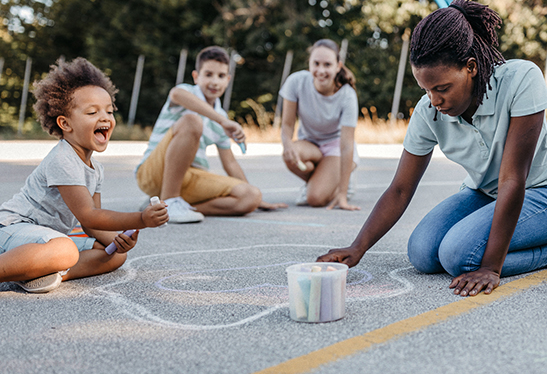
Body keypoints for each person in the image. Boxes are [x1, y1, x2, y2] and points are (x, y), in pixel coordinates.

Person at [318, 0, 547, 297]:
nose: (434, 100)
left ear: (470, 67)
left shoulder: (521, 80)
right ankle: (503, 242)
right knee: (421, 253)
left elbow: (513, 179)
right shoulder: (429, 111)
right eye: (426, 89)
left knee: (460, 257)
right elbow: (400, 189)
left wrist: (491, 268)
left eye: (442, 88)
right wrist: (358, 247)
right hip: (486, 193)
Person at [0, 58, 169, 293]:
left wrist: (117, 240)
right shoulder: (62, 158)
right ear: (65, 123)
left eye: (109, 111)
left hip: (45, 239)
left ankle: (43, 273)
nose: (105, 117)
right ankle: (22, 268)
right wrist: (141, 219)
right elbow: (89, 217)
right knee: (65, 250)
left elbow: (94, 227)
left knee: (115, 255)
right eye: (92, 112)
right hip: (14, 229)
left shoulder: (95, 168)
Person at [136, 46, 285, 223]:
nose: (215, 82)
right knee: (192, 121)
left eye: (221, 76)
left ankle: (163, 209)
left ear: (228, 80)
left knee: (250, 196)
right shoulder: (187, 93)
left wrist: (259, 201)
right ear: (196, 76)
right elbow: (176, 94)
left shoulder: (221, 117)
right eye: (208, 75)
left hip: (190, 178)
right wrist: (223, 121)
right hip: (154, 172)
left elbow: (229, 162)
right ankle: (169, 199)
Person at [280, 39, 360, 210]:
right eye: (316, 64)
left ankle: (340, 183)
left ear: (338, 66)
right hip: (310, 144)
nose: (321, 70)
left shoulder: (347, 95)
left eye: (327, 65)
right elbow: (287, 125)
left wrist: (342, 195)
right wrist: (287, 145)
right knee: (289, 154)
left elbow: (346, 145)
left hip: (335, 147)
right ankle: (326, 179)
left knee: (315, 199)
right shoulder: (296, 82)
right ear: (309, 63)